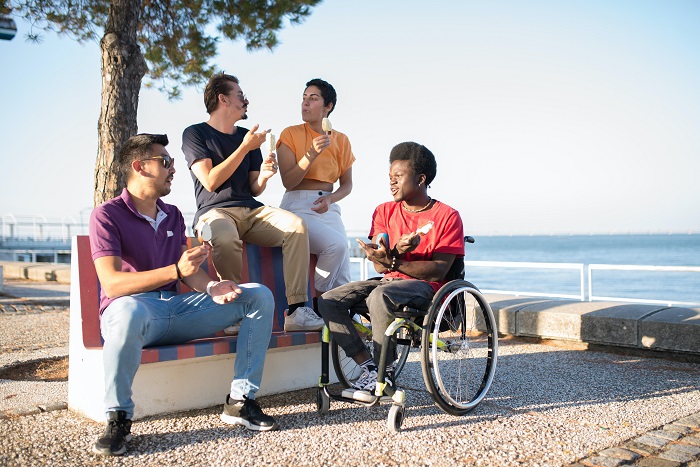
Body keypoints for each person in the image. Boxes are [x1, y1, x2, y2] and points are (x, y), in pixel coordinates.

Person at [90, 134, 278, 457]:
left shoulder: (173, 215)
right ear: (139, 167)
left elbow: (186, 270)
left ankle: (239, 401)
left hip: (175, 311)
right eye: (165, 162)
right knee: (130, 313)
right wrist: (174, 272)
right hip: (132, 314)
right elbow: (113, 285)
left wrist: (211, 286)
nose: (173, 168)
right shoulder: (106, 215)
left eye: (172, 161)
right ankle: (118, 417)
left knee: (258, 296)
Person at [317, 142, 464, 392]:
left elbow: (439, 269)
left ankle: (385, 372)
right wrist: (388, 253)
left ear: (420, 179)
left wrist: (395, 262)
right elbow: (379, 264)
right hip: (388, 284)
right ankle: (371, 368)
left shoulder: (447, 216)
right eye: (390, 177)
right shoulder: (384, 211)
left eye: (398, 176)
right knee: (329, 300)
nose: (392, 183)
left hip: (427, 290)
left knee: (380, 295)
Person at [182, 72, 323, 333]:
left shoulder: (248, 137)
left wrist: (266, 176)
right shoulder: (195, 134)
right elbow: (210, 181)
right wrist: (244, 148)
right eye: (240, 95)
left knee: (296, 226)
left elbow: (254, 189)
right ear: (223, 99)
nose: (246, 100)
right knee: (223, 234)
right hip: (213, 213)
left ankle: (296, 311)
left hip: (250, 210)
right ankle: (231, 311)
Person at [276, 78, 355, 313]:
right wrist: (311, 153)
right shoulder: (289, 134)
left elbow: (347, 185)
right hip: (298, 204)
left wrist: (330, 200)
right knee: (337, 245)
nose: (305, 103)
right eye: (303, 98)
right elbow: (288, 181)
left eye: (313, 98)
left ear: (327, 106)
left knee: (344, 276)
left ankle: (344, 333)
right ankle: (321, 304)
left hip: (328, 205)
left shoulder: (341, 139)